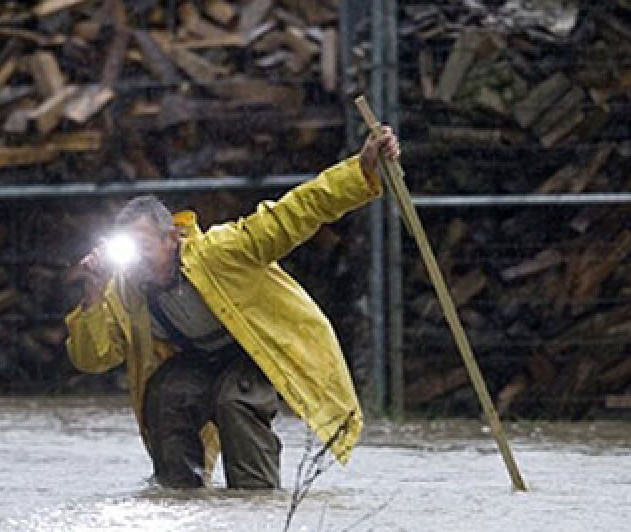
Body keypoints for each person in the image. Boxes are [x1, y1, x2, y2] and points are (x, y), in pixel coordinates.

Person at [65, 127, 401, 489]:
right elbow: (91, 359)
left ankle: (257, 498)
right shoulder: (124, 289)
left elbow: (293, 213)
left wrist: (360, 170)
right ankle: (176, 494)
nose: (140, 261)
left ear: (172, 239)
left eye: (145, 247)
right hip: (197, 362)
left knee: (234, 401)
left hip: (252, 354)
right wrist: (93, 293)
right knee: (164, 395)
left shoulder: (220, 251)